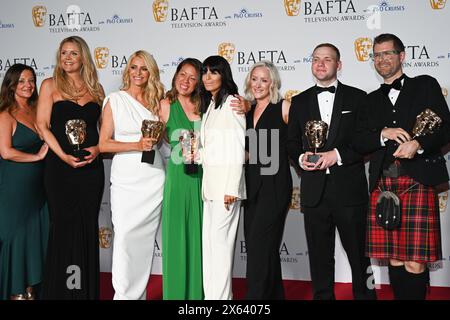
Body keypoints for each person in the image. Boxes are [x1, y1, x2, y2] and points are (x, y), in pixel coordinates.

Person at [353, 33, 450, 300]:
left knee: (415, 261)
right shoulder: (369, 100)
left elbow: (445, 128)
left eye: (387, 53)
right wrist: (382, 133)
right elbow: (358, 141)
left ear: (401, 56)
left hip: (417, 180)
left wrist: (417, 143)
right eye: (377, 55)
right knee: (394, 258)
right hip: (383, 184)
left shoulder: (425, 85)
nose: (382, 59)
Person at [287, 43, 376, 300]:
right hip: (314, 193)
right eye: (316, 59)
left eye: (327, 59)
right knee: (319, 257)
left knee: (360, 255)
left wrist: (335, 156)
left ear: (339, 64)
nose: (321, 64)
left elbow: (365, 141)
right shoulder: (300, 101)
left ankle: (366, 297)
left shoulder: (358, 98)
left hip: (349, 191)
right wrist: (301, 157)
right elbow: (291, 142)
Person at [36, 36, 105, 299]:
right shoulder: (50, 85)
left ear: (83, 57)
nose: (67, 57)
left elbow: (99, 130)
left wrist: (97, 151)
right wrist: (64, 157)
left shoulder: (96, 89)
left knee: (86, 228)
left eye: (73, 53)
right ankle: (64, 292)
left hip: (90, 171)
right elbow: (43, 126)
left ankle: (82, 292)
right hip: (60, 170)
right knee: (64, 229)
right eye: (63, 52)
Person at [98, 50, 165, 300]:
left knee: (144, 246)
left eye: (144, 69)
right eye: (134, 67)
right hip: (126, 179)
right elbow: (103, 144)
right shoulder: (115, 100)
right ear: (128, 71)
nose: (138, 73)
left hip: (152, 179)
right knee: (125, 240)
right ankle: (124, 296)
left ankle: (138, 296)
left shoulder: (157, 102)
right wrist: (135, 146)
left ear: (151, 73)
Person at [197, 55, 246, 300]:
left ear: (223, 75)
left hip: (226, 189)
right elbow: (215, 150)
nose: (207, 76)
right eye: (204, 71)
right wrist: (195, 153)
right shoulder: (211, 106)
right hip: (210, 190)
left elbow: (237, 148)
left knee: (221, 251)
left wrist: (232, 187)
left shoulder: (232, 103)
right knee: (211, 251)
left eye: (213, 72)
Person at [243, 61, 292, 299]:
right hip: (250, 186)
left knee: (260, 247)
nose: (258, 84)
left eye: (264, 80)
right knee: (263, 248)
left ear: (272, 83)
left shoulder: (284, 107)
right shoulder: (246, 110)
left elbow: (297, 144)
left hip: (274, 186)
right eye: (254, 79)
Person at [0, 64, 49, 300]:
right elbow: (6, 152)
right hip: (14, 190)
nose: (28, 85)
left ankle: (29, 291)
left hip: (38, 191)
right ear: (11, 85)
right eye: (21, 81)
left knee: (34, 240)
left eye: (31, 80)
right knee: (16, 239)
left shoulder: (36, 109)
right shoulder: (5, 114)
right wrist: (37, 156)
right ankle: (15, 292)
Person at [159, 58, 204, 300]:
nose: (185, 81)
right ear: (175, 75)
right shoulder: (166, 105)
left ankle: (197, 298)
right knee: (177, 239)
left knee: (199, 240)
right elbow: (155, 140)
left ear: (198, 83)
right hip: (178, 178)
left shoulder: (205, 105)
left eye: (192, 77)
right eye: (182, 74)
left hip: (203, 179)